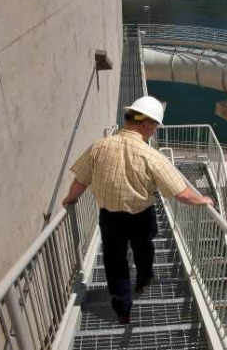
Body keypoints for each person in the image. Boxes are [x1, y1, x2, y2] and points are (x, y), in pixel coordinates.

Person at [62, 96, 213, 324]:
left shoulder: (99, 146)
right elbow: (181, 193)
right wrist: (202, 200)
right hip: (141, 217)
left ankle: (123, 310)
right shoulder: (152, 156)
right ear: (145, 124)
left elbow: (80, 182)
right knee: (144, 249)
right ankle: (143, 280)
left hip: (110, 218)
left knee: (115, 262)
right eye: (154, 125)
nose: (154, 131)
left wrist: (69, 200)